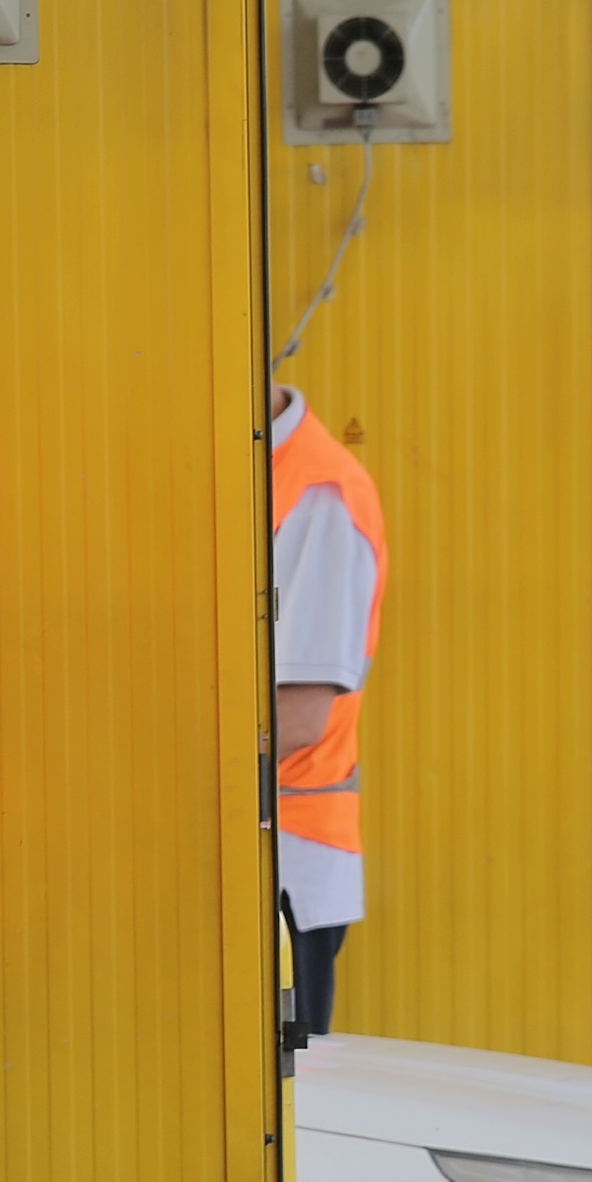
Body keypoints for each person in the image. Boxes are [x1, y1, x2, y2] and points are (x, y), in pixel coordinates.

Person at [270, 383, 390, 1037]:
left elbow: (300, 716)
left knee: (281, 1118)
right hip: (269, 853)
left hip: (288, 868)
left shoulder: (318, 496)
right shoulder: (266, 476)